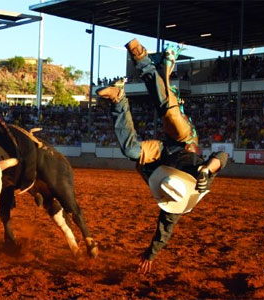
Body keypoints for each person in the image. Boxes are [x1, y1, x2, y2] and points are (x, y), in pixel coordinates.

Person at [96, 38, 228, 274]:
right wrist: (208, 168)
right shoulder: (199, 181)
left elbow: (164, 229)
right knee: (169, 110)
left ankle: (118, 100)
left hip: (161, 158)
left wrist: (150, 254)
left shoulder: (172, 200)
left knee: (131, 151)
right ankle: (142, 59)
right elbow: (222, 156)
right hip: (185, 141)